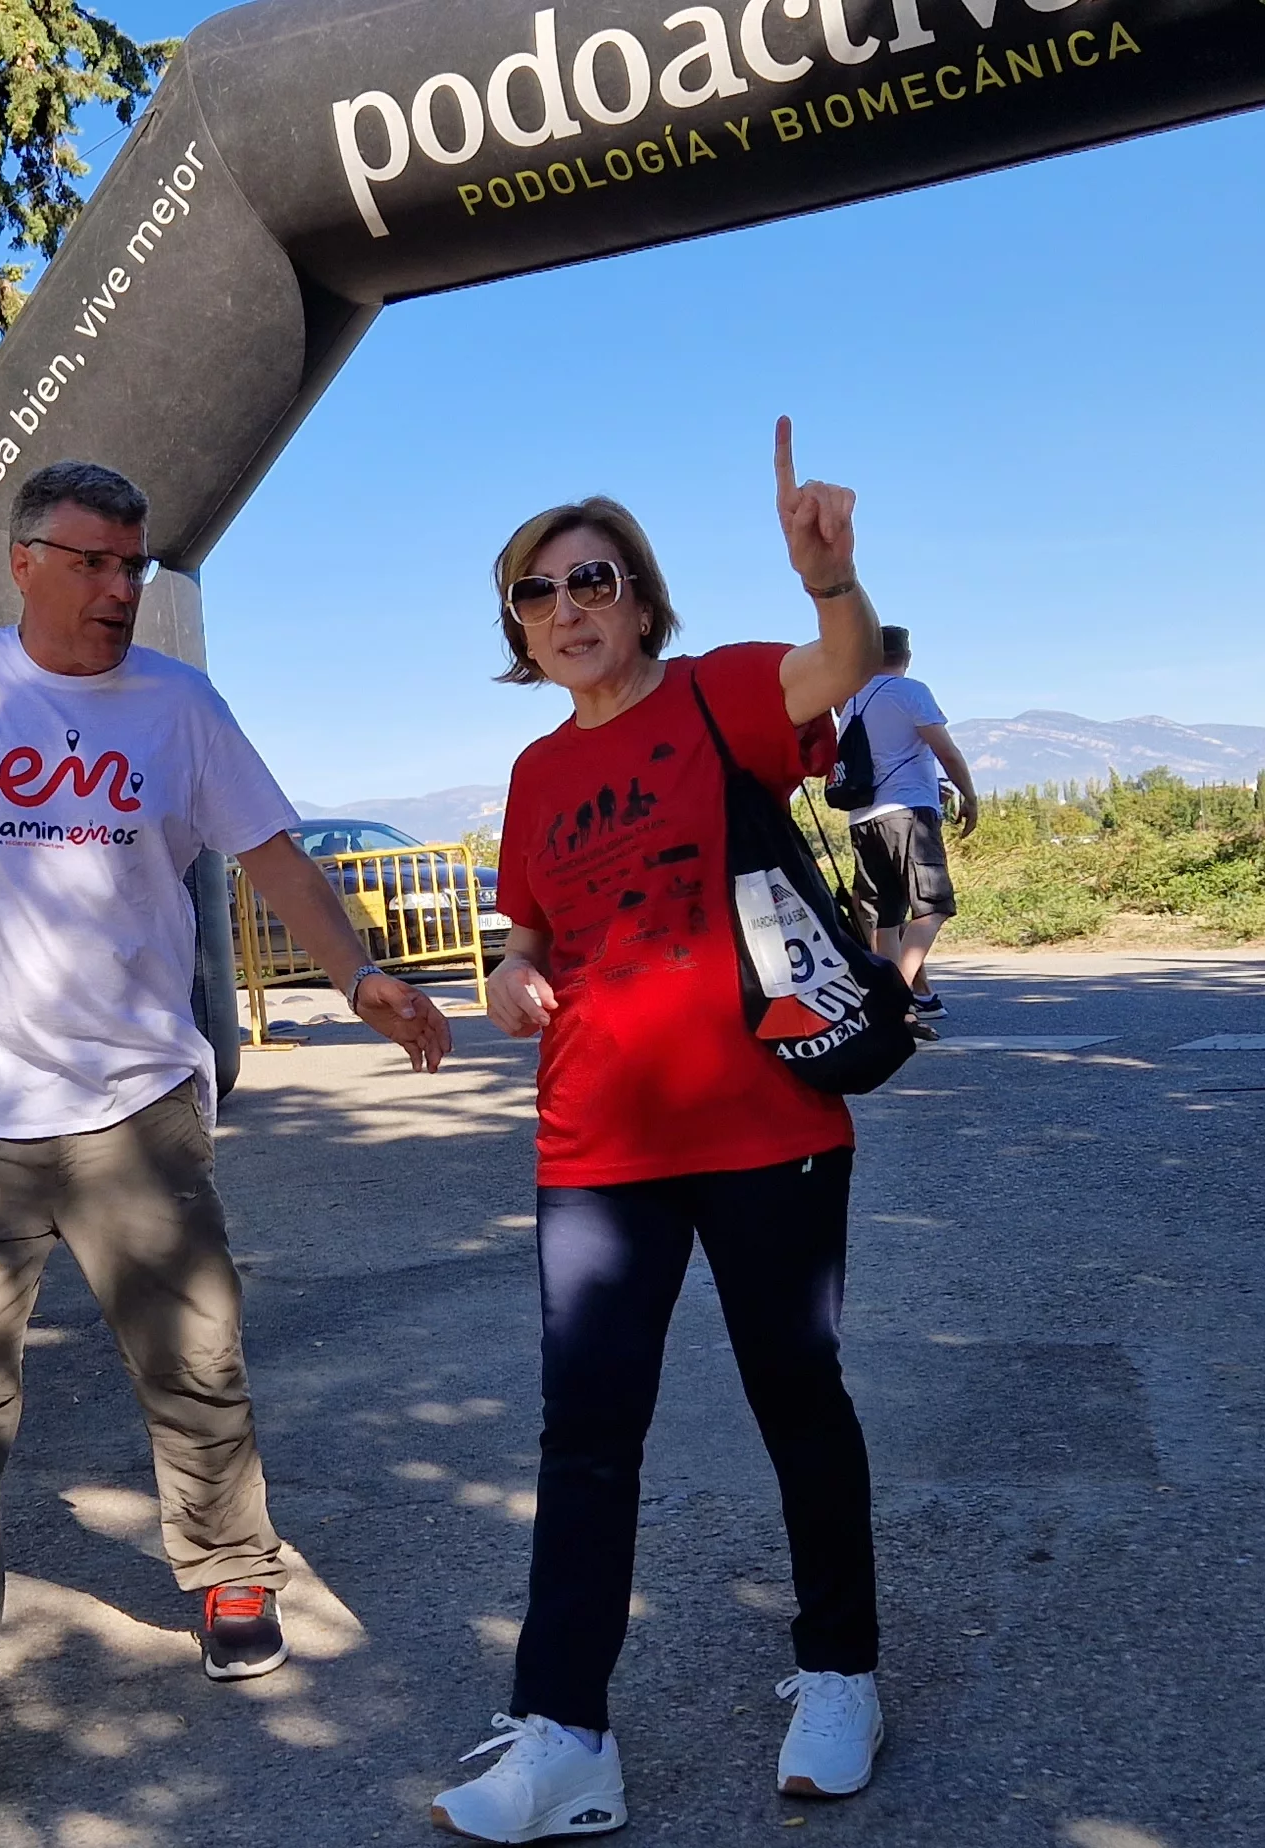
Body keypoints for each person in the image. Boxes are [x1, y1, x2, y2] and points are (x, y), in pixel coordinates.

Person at [0, 459, 454, 1809]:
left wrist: (359, 978)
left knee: (194, 1362)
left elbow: (276, 856)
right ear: (27, 562)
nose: (122, 589)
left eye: (137, 566)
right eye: (97, 563)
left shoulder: (179, 708)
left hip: (135, 1105)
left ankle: (231, 1565)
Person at [429, 421, 888, 1843]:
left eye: (594, 580)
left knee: (795, 1402)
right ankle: (567, 1735)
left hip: (765, 1127)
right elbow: (525, 934)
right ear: (520, 623)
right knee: (587, 1440)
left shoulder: (717, 698)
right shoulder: (530, 777)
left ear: (640, 598)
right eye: (539, 592)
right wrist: (508, 974)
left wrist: (831, 583)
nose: (568, 608)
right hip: (595, 1148)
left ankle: (841, 1673)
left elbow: (845, 668)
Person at [834, 626, 978, 1031]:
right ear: (907, 656)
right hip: (908, 813)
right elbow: (944, 748)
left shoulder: (851, 703)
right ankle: (896, 993)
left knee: (887, 916)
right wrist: (969, 795)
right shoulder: (910, 691)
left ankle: (901, 1011)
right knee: (933, 906)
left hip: (863, 819)